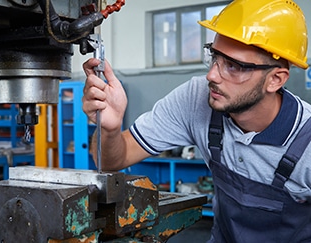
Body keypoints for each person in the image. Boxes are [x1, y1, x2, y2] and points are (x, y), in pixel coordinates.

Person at [82, 0, 311, 242]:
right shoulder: (195, 98)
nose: (211, 75)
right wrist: (110, 128)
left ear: (275, 80)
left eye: (233, 66)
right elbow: (112, 161)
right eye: (214, 57)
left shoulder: (306, 142)